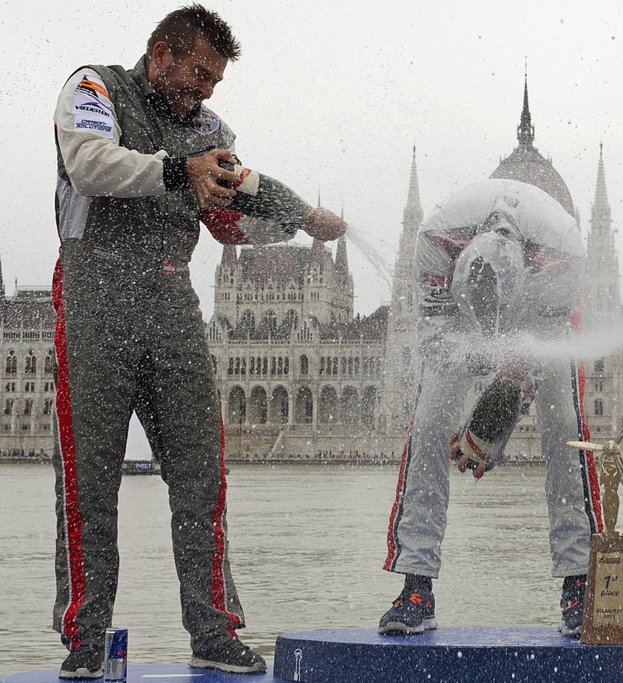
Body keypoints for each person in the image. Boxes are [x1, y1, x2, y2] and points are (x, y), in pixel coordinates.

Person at [51, 5, 346, 678]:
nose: (206, 90)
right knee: (88, 483)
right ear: (160, 54)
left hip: (171, 302)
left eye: (214, 79)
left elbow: (233, 212)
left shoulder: (210, 129)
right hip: (95, 295)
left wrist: (299, 221)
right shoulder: (95, 90)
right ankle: (85, 638)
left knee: (201, 476)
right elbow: (91, 166)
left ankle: (213, 632)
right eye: (198, 73)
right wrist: (179, 170)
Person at [380, 178, 603, 637]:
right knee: (426, 426)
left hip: (541, 316)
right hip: (457, 323)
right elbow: (439, 346)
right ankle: (416, 585)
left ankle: (578, 581)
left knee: (567, 429)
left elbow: (535, 362)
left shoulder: (563, 251)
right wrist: (485, 395)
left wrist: (492, 425)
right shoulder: (433, 244)